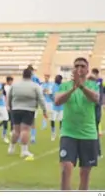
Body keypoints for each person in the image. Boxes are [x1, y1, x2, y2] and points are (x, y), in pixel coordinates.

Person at [55, 58, 99, 190]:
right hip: (69, 133)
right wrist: (72, 89)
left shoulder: (93, 85)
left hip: (88, 134)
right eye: (77, 66)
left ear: (87, 70)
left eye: (82, 66)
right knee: (65, 169)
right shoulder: (65, 85)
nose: (79, 68)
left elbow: (96, 98)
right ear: (73, 69)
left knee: (85, 173)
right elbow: (57, 101)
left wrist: (81, 86)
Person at [7, 69, 47, 160]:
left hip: (16, 109)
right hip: (28, 109)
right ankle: (24, 150)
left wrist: (10, 106)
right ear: (31, 76)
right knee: (25, 130)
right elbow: (41, 99)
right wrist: (44, 110)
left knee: (16, 130)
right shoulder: (35, 86)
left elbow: (10, 96)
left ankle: (11, 147)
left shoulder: (15, 85)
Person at [26, 65, 41, 143]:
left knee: (31, 119)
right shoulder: (34, 78)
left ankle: (32, 137)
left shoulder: (33, 78)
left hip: (31, 100)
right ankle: (32, 137)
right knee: (31, 119)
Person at [90, 68, 102, 158]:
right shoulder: (95, 83)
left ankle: (97, 152)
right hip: (92, 110)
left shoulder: (99, 83)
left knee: (94, 131)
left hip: (96, 110)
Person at [51, 75, 64, 141]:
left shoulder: (62, 86)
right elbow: (54, 96)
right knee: (53, 120)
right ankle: (53, 133)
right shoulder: (54, 86)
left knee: (61, 121)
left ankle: (61, 133)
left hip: (61, 107)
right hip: (55, 107)